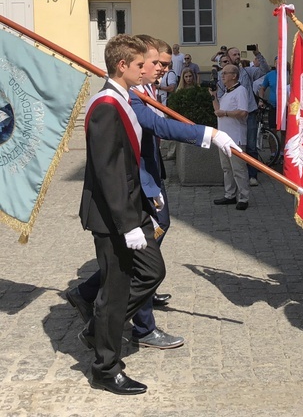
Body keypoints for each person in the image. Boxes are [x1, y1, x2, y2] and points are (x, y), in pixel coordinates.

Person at [67, 36, 239, 352]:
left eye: (163, 64)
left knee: (141, 263)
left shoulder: (142, 90)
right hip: (139, 189)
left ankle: (89, 295)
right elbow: (157, 129)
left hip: (149, 181)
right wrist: (209, 133)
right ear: (135, 64)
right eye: (153, 63)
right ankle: (140, 327)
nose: (159, 69)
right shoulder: (123, 98)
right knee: (144, 264)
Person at [77, 34, 164, 395]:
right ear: (122, 66)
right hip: (114, 216)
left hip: (130, 210)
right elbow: (109, 169)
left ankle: (99, 330)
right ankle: (105, 368)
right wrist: (128, 223)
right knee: (113, 292)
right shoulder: (106, 106)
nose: (149, 69)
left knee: (152, 271)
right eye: (141, 64)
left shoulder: (122, 99)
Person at [226, 46, 270, 186]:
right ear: (228, 57)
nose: (237, 56)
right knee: (235, 145)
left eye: (239, 54)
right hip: (233, 115)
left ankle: (252, 175)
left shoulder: (247, 72)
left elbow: (265, 70)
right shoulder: (224, 75)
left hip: (249, 113)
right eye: (234, 54)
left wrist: (257, 53)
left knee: (251, 145)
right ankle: (236, 175)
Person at [212, 64, 250, 210]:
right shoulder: (227, 92)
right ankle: (230, 194)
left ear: (234, 75)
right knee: (227, 168)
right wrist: (213, 96)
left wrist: (226, 113)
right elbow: (218, 111)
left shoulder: (240, 91)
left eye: (225, 73)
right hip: (223, 136)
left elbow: (243, 112)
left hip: (236, 137)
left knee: (238, 169)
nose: (222, 76)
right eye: (222, 74)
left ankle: (244, 197)